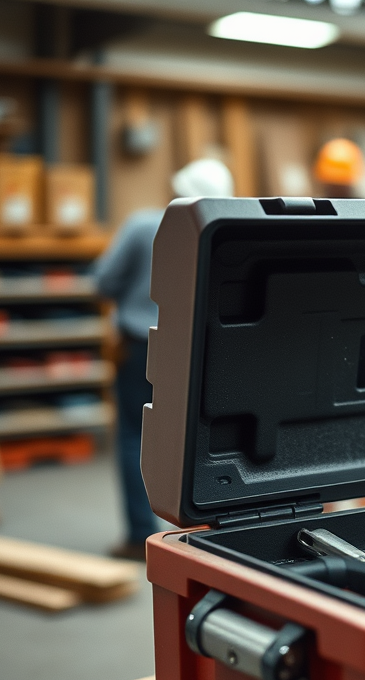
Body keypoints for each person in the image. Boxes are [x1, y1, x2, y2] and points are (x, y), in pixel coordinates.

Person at [95, 158, 234, 560]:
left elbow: (103, 281)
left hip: (141, 345)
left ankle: (141, 534)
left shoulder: (143, 225)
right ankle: (208, 534)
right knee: (200, 439)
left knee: (132, 437)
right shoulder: (220, 231)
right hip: (198, 349)